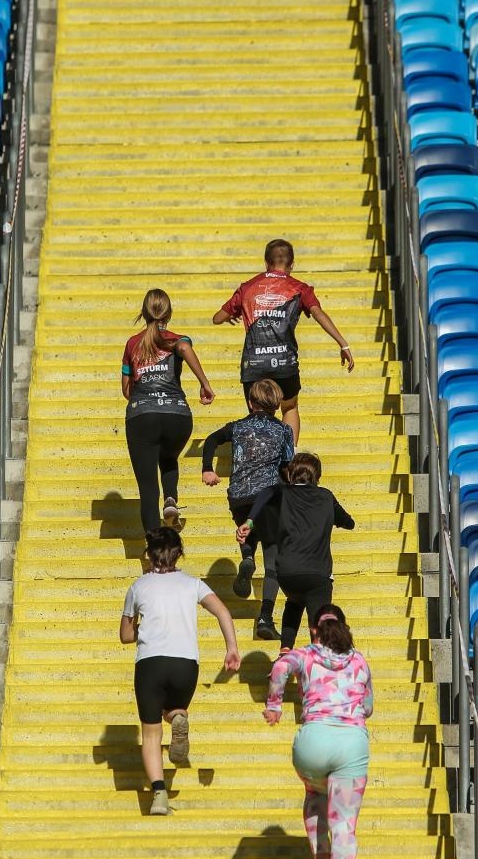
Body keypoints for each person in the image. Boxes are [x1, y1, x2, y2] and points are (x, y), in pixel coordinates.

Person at [264, 605, 373, 859]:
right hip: (351, 742)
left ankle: (319, 854)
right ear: (344, 626)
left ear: (314, 629)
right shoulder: (359, 660)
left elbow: (280, 667)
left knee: (314, 791)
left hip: (312, 741)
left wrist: (274, 706)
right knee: (344, 823)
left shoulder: (306, 654)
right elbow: (367, 708)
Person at [121, 526, 241, 816]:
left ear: (149, 554)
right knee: (174, 708)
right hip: (185, 664)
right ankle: (177, 716)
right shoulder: (193, 583)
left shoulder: (138, 586)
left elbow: (125, 636)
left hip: (150, 663)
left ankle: (159, 794)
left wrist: (140, 625)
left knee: (151, 734)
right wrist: (231, 648)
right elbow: (223, 611)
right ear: (179, 555)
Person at [211, 239, 354, 442]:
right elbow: (319, 314)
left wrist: (231, 315)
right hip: (284, 362)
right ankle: (290, 455)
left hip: (254, 364)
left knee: (258, 414)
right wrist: (343, 343)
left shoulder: (247, 288)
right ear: (292, 264)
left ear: (265, 262)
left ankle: (261, 456)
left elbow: (217, 318)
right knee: (290, 406)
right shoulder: (299, 288)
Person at [200, 377, 294, 640]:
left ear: (250, 402)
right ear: (276, 404)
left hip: (238, 495)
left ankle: (247, 556)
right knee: (273, 556)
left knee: (246, 527)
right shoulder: (284, 430)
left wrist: (207, 467)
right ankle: (265, 617)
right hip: (270, 497)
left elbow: (210, 440)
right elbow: (287, 464)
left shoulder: (238, 427)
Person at [236, 452, 354, 651]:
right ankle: (318, 657)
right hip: (318, 574)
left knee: (294, 601)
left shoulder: (283, 493)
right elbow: (349, 523)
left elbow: (265, 493)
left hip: (286, 573)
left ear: (291, 475)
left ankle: (285, 650)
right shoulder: (326, 496)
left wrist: (249, 521)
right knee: (318, 622)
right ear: (317, 476)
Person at [122, 288, 215, 533]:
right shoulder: (178, 339)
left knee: (148, 487)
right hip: (178, 416)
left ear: (143, 313)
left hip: (143, 415)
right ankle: (171, 499)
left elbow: (126, 390)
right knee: (168, 456)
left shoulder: (132, 343)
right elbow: (184, 349)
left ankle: (154, 547)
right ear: (169, 313)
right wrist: (204, 384)